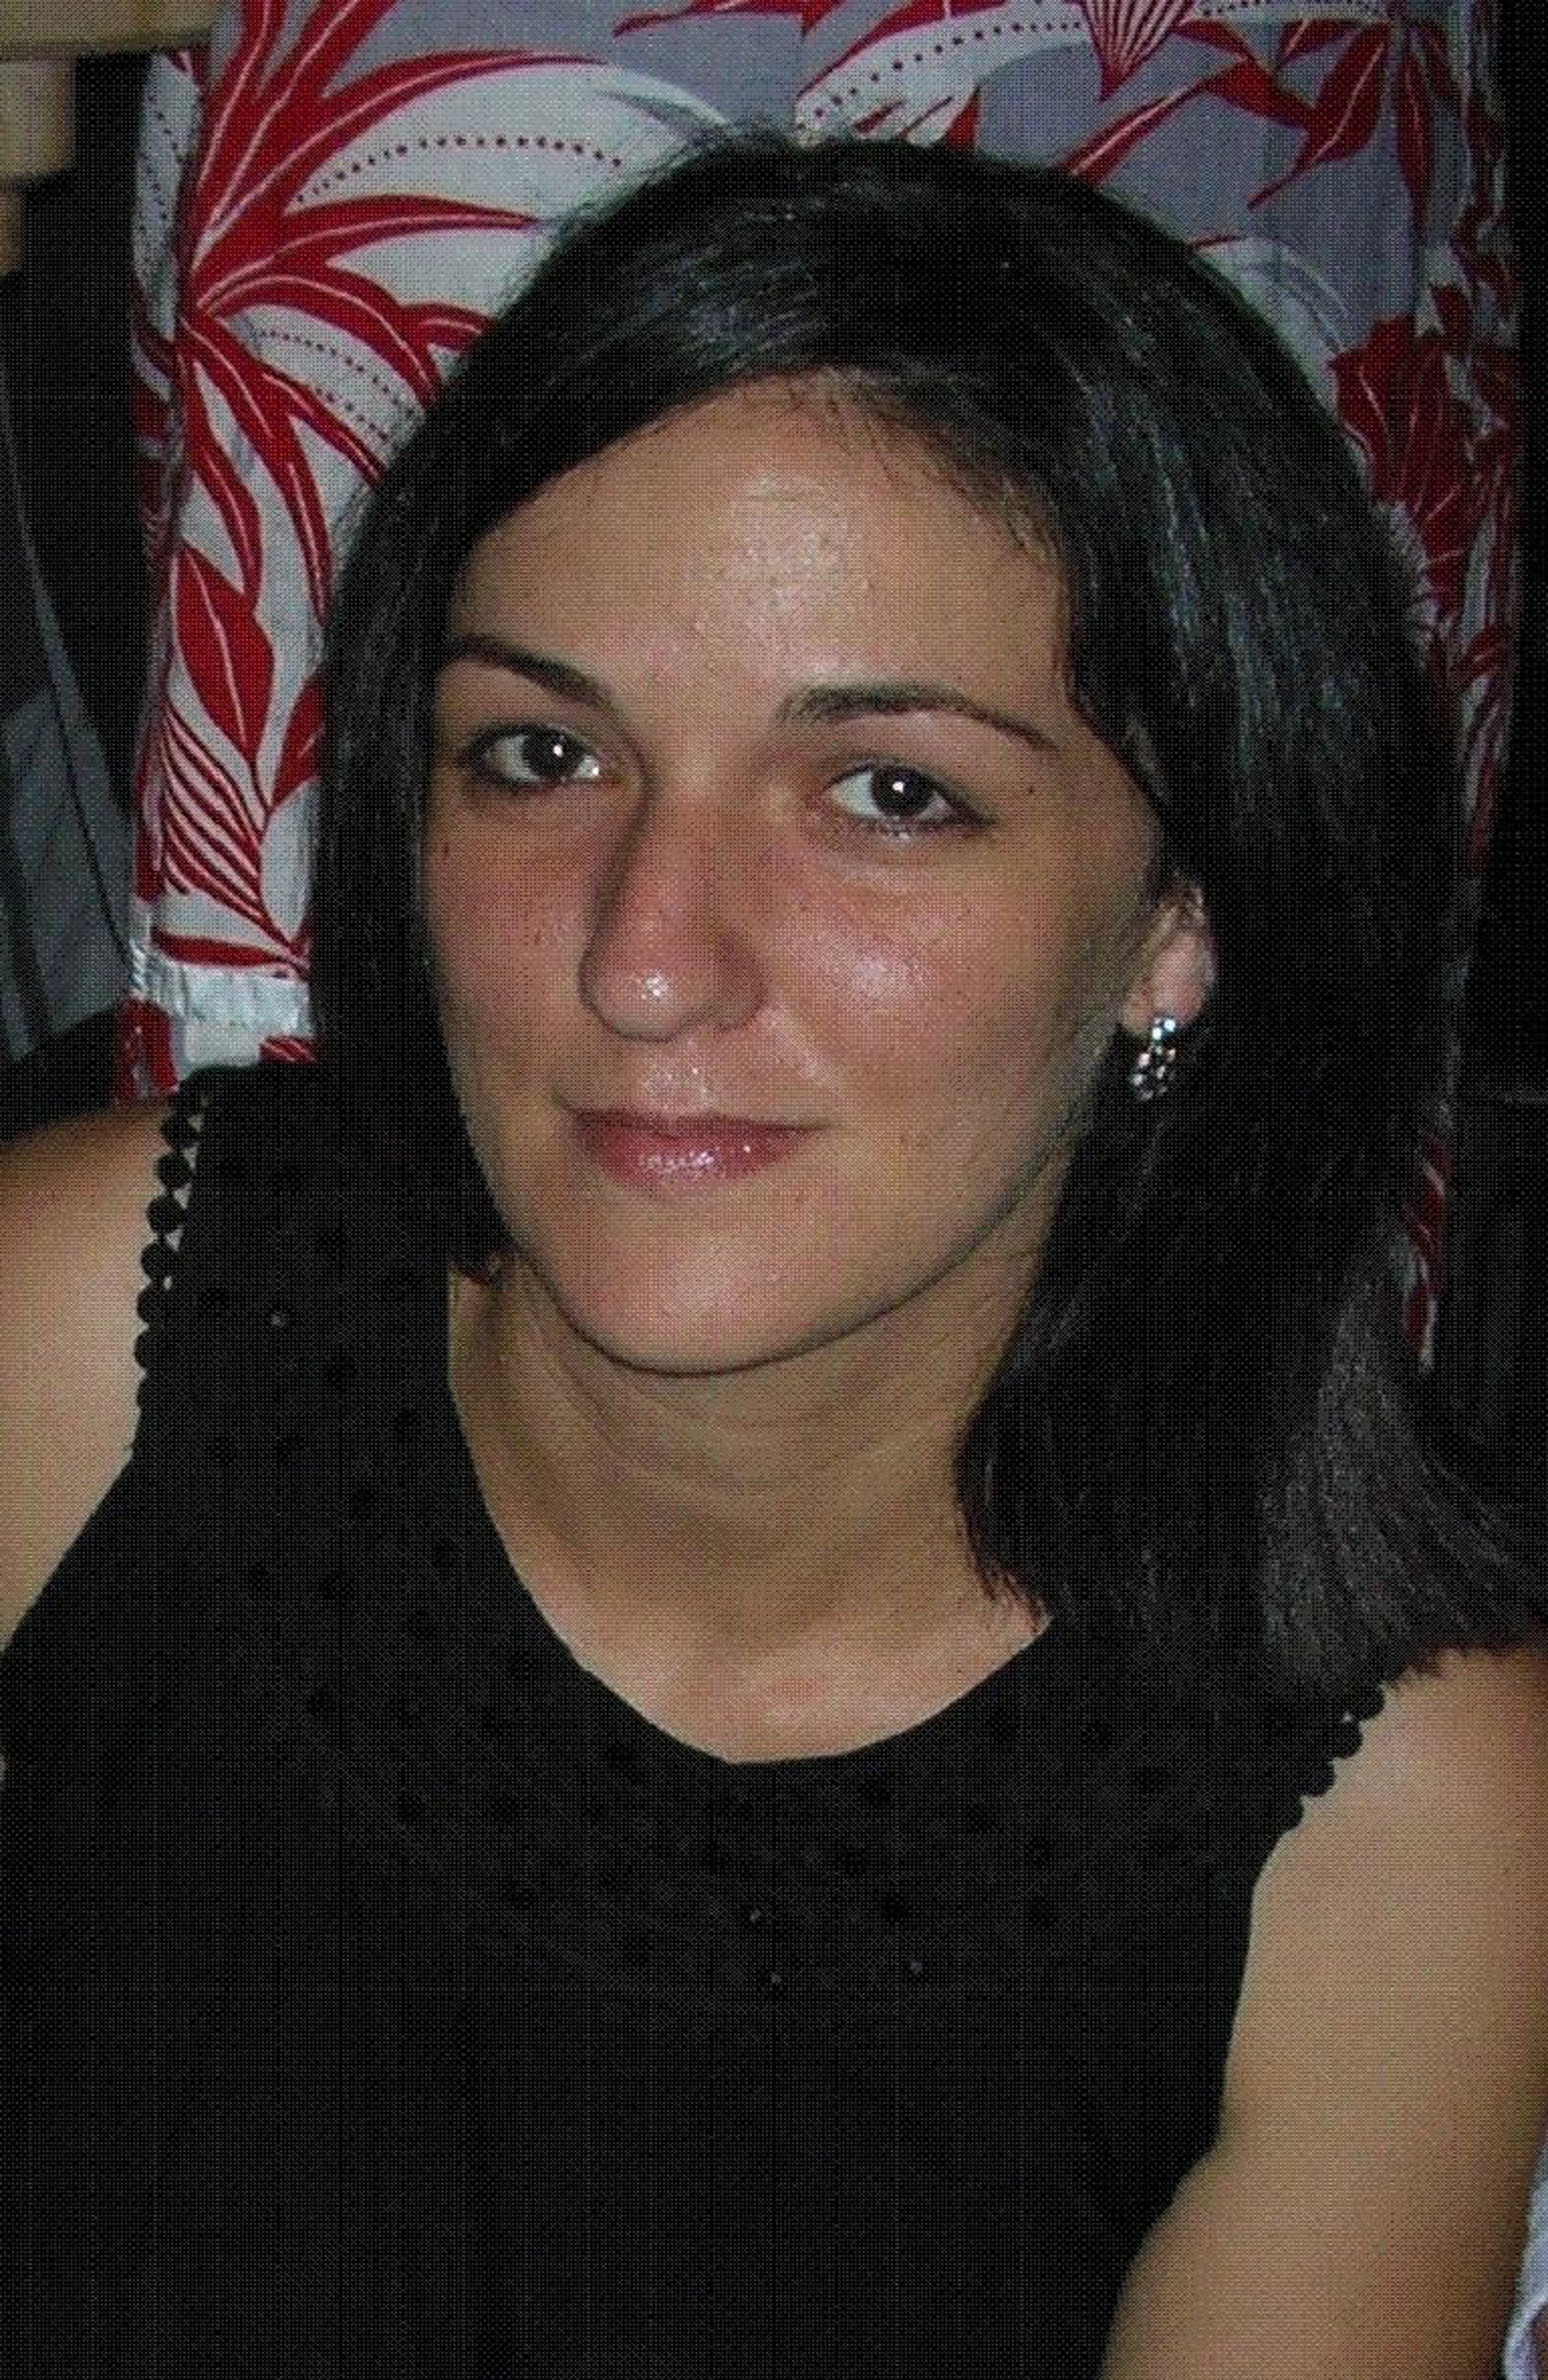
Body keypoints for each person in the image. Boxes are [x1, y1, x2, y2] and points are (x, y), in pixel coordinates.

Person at [2, 130, 1545, 2379]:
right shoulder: (79, 1344)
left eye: (889, 793)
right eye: (542, 753)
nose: (646, 958)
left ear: (1183, 921)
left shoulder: (1400, 1815)